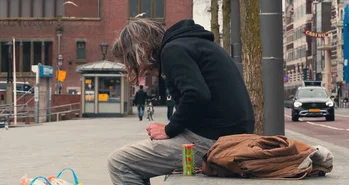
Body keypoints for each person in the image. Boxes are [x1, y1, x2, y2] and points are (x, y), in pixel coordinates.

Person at [108, 19, 255, 185]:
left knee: (120, 162)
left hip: (215, 141)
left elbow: (196, 94)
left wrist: (170, 129)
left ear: (140, 50)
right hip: (230, 134)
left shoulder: (172, 51)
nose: (140, 68)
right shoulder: (191, 44)